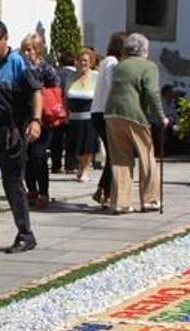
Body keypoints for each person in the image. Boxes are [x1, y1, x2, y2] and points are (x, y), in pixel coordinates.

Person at [0, 20, 42, 253]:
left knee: (13, 184)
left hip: (11, 132)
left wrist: (36, 120)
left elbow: (36, 91)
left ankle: (25, 234)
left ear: (5, 39)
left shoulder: (17, 63)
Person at [104, 32, 166, 213]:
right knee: (147, 155)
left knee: (120, 159)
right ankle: (150, 200)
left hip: (112, 114)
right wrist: (161, 116)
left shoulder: (120, 65)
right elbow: (152, 92)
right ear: (144, 50)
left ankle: (121, 203)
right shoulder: (149, 66)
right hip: (135, 114)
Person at [19, 33, 59, 210]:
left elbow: (55, 87)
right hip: (25, 116)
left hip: (43, 117)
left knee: (39, 155)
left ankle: (44, 191)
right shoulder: (20, 67)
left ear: (38, 50)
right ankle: (32, 190)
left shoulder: (46, 68)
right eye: (24, 50)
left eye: (29, 49)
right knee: (27, 156)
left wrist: (39, 91)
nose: (26, 53)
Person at [91, 32, 127, 207]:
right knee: (115, 154)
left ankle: (102, 191)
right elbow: (114, 85)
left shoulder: (106, 61)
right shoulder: (112, 63)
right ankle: (104, 191)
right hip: (105, 113)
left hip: (98, 112)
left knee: (113, 154)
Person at [64, 48, 98, 182]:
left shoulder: (96, 76)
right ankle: (81, 165)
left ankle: (85, 170)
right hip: (73, 117)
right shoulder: (71, 76)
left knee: (87, 146)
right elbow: (66, 96)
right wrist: (66, 112)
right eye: (80, 60)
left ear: (90, 62)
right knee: (75, 147)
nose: (82, 63)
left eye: (85, 61)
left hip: (89, 117)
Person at [50, 52, 77, 174]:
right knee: (71, 137)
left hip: (57, 109)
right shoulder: (76, 75)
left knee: (57, 138)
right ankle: (70, 165)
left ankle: (56, 165)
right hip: (72, 109)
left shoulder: (56, 74)